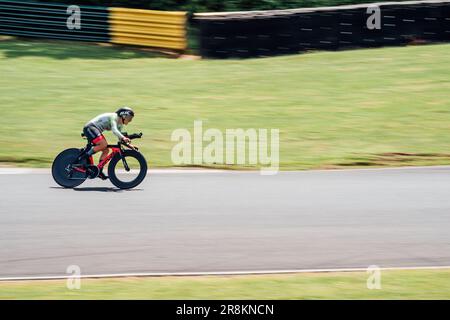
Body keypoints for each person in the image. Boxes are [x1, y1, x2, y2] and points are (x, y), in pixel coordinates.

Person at [80, 107, 135, 180]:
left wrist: (129, 146)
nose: (130, 120)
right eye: (129, 118)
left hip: (95, 129)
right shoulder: (114, 117)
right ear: (123, 115)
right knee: (103, 144)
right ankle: (84, 156)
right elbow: (115, 131)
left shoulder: (120, 124)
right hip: (90, 127)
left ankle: (99, 171)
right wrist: (124, 138)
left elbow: (120, 137)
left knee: (106, 150)